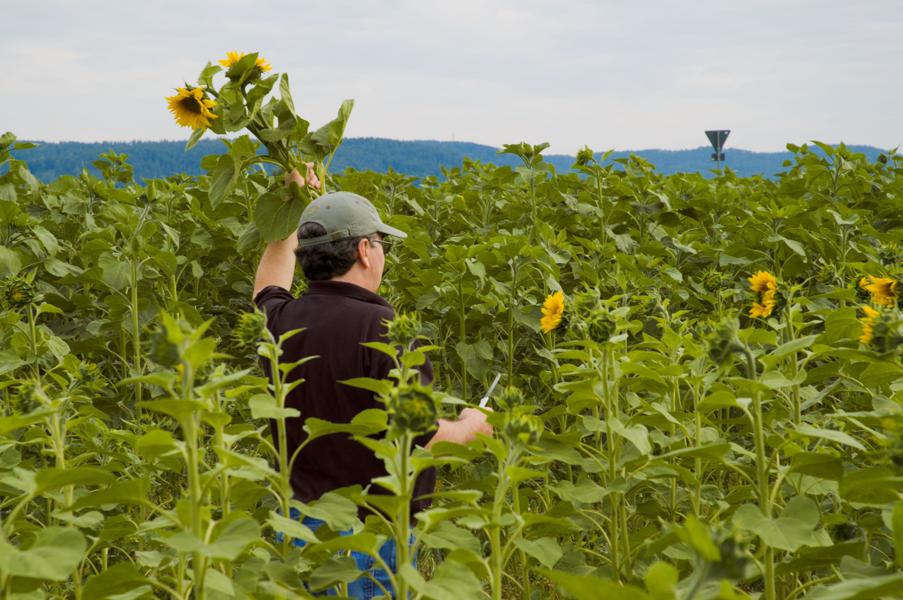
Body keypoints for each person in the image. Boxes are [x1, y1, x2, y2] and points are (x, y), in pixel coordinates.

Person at [252, 169, 492, 598]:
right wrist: (471, 427)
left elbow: (268, 284)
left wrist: (293, 209)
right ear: (365, 250)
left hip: (298, 529)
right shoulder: (385, 330)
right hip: (369, 539)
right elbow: (422, 439)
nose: (383, 254)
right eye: (381, 243)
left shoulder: (280, 321)